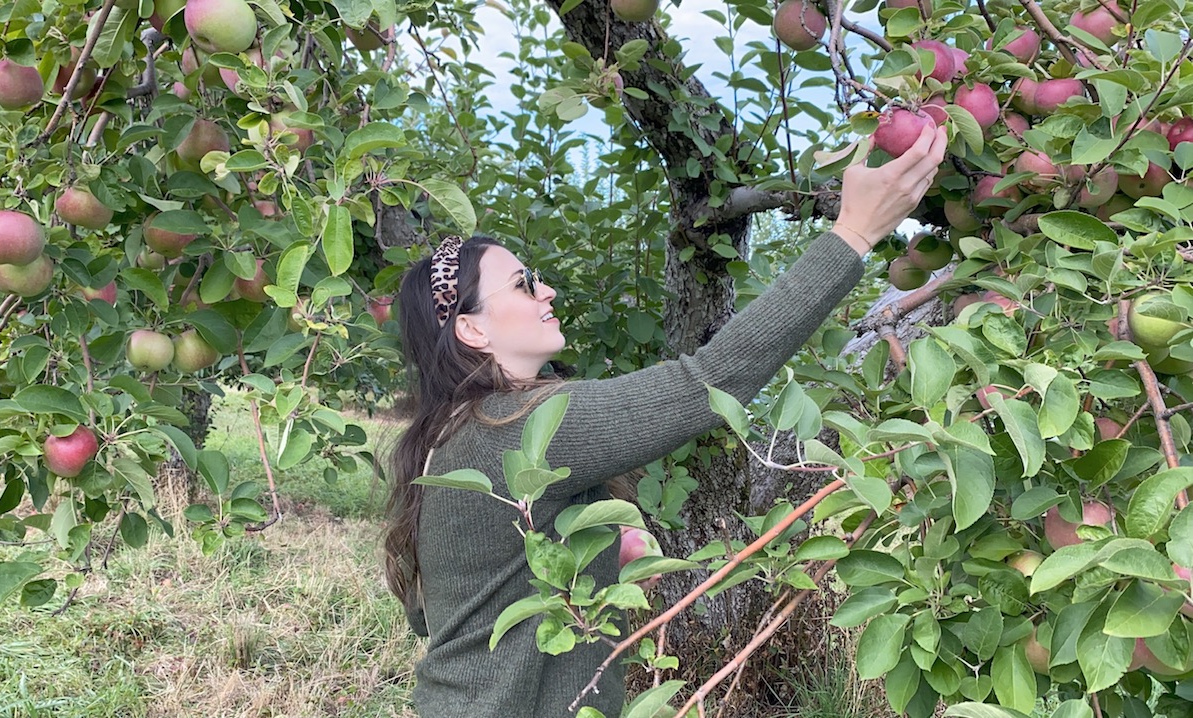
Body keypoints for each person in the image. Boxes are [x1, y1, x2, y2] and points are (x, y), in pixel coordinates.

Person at [383, 124, 949, 718]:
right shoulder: (527, 426)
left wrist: (590, 552)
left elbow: (437, 610)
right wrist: (854, 234)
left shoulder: (447, 438)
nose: (546, 290)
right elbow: (709, 380)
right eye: (524, 284)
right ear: (472, 328)